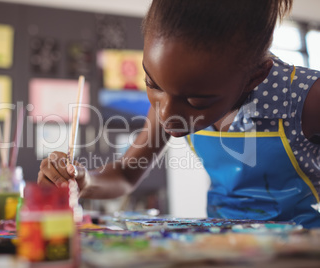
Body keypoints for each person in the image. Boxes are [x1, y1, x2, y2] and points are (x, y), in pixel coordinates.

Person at [38, 0, 320, 228]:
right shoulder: (172, 98)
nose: (168, 115)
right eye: (152, 84)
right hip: (223, 245)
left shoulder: (308, 98)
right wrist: (84, 180)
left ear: (255, 77)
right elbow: (125, 174)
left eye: (196, 100)